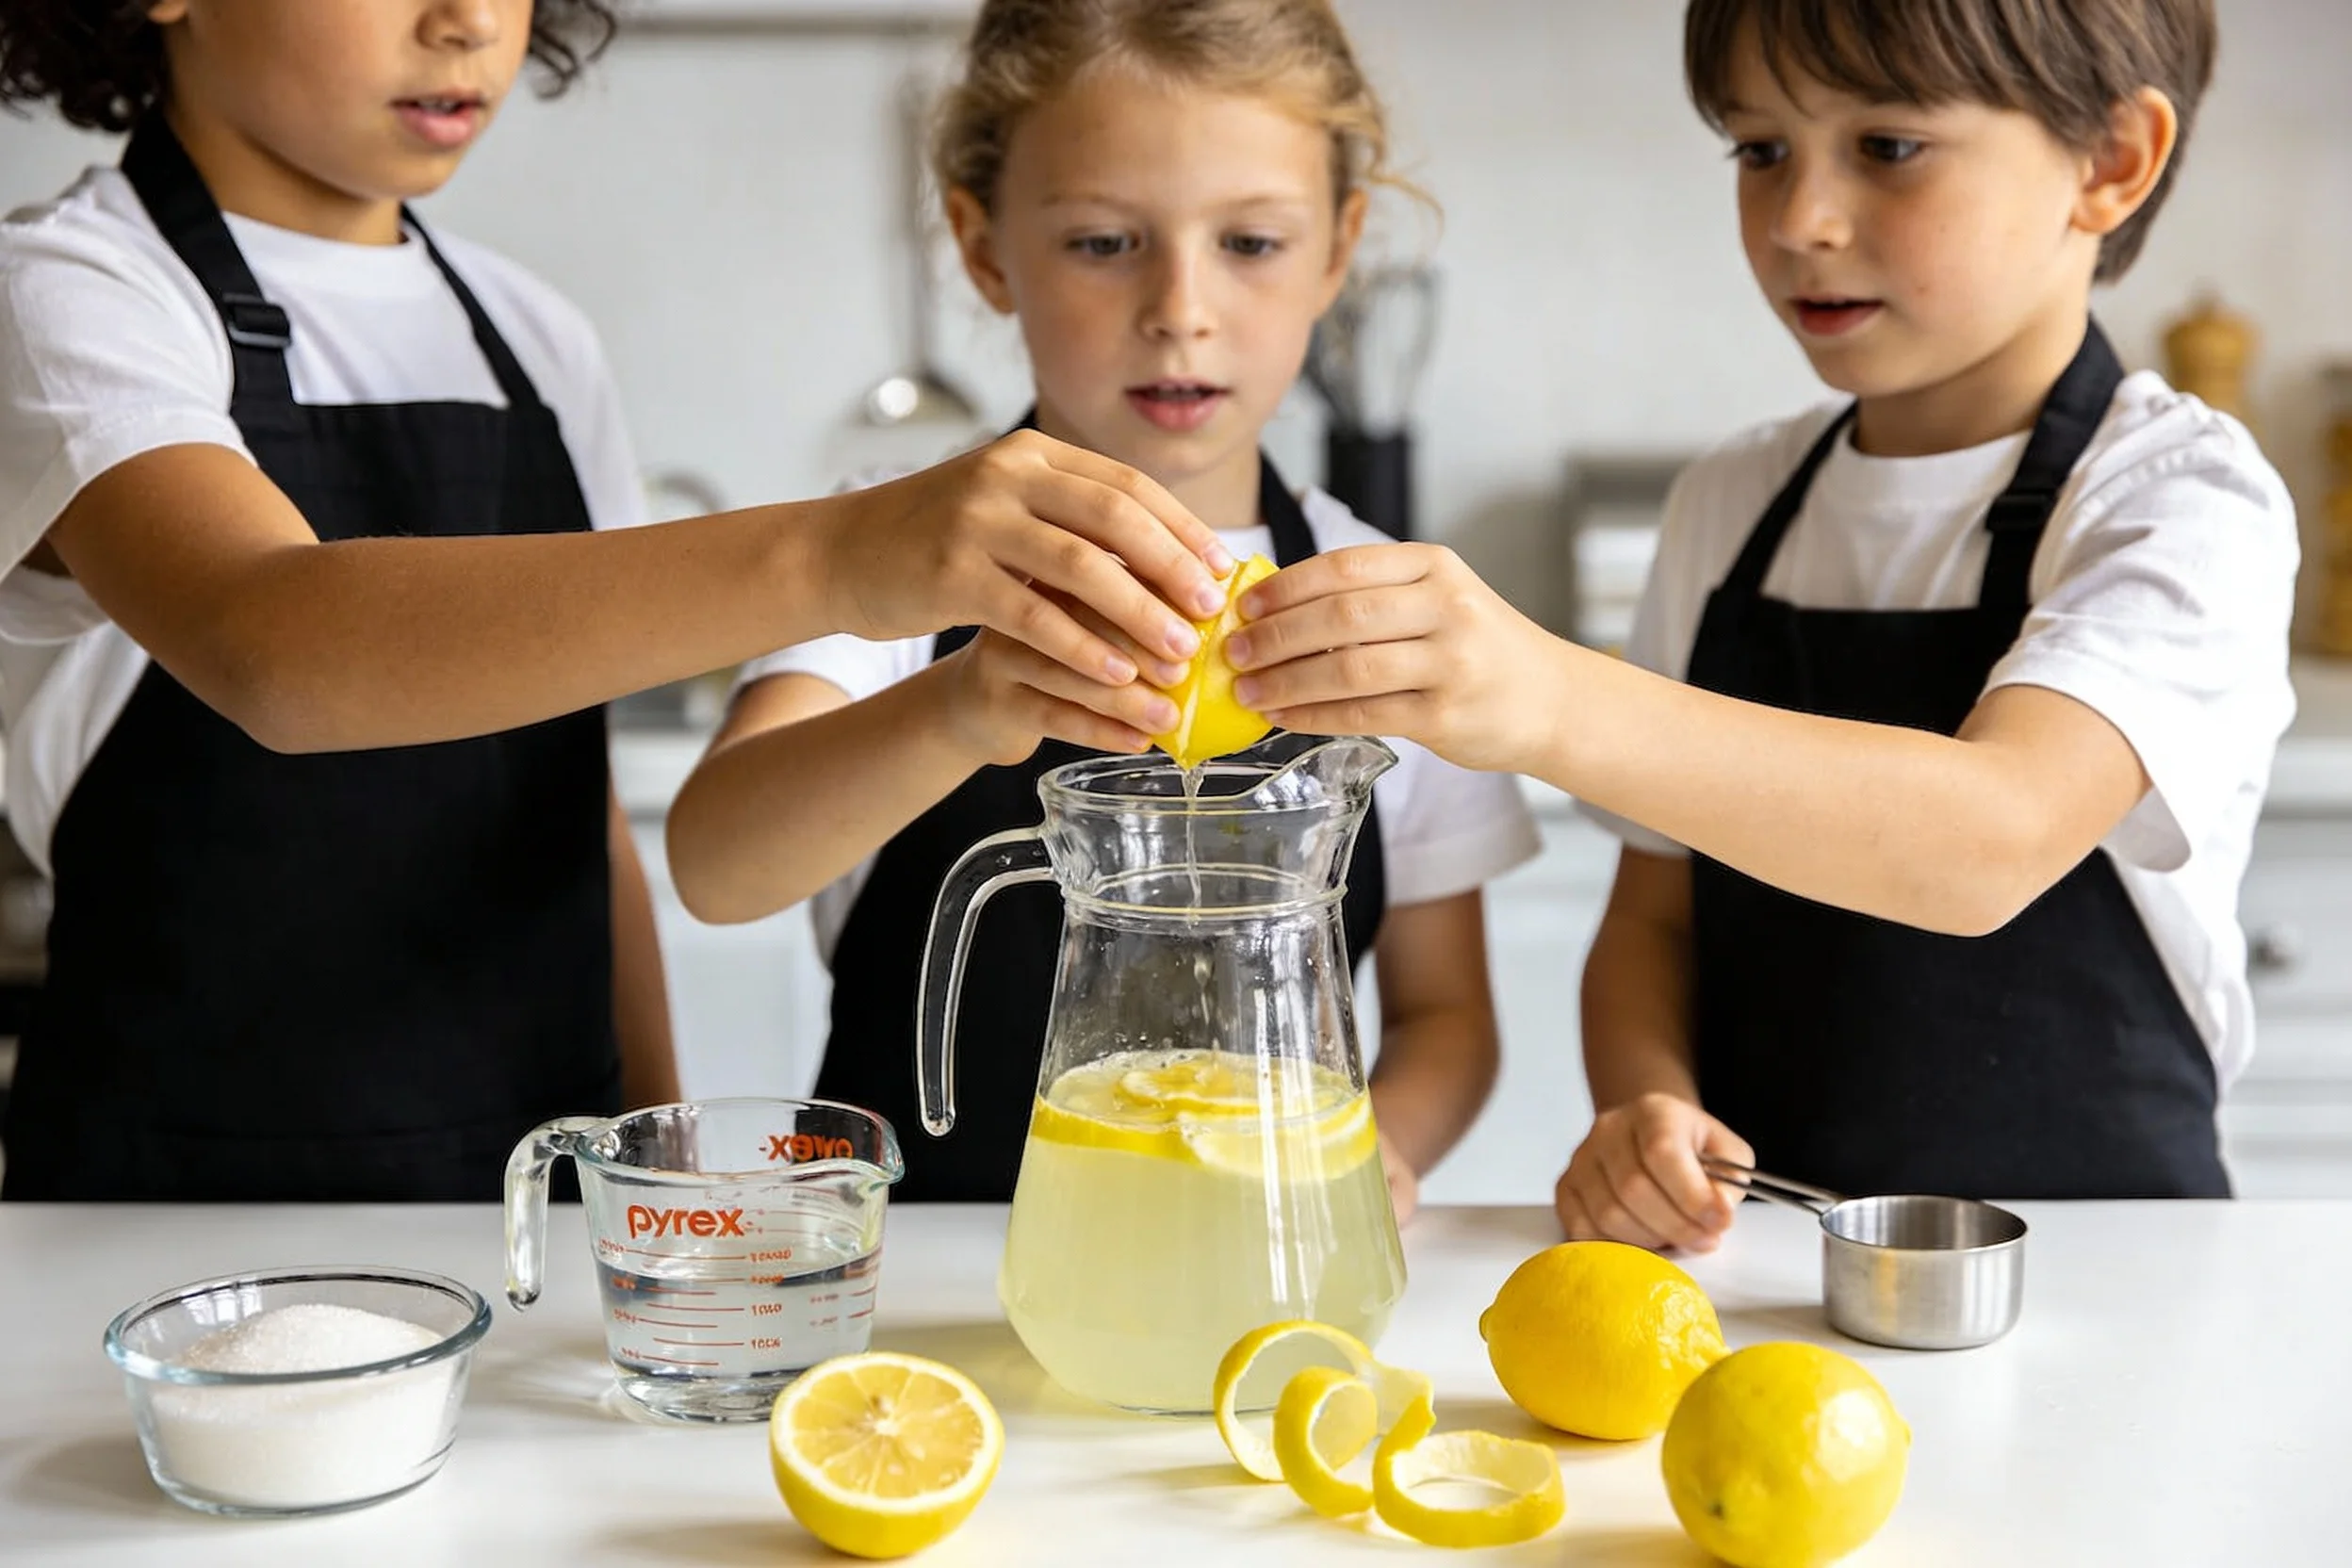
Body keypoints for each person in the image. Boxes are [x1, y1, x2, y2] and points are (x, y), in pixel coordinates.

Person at [0, 0, 1229, 1200]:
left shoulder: (535, 338)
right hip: (168, 1204)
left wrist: (653, 1149)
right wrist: (843, 553)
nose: (468, 22)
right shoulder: (75, 291)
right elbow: (268, 641)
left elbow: (574, 806)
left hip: (537, 1184)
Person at [1222, 0, 2295, 1241]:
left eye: (1887, 147)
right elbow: (1653, 922)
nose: (1799, 223)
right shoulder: (1730, 505)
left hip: (2114, 1276)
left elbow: (1990, 839)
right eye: (1761, 150)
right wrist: (1647, 1103)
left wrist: (1550, 698)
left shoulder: (2178, 500)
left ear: (2110, 162)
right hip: (1766, 1275)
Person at [666, 0, 1538, 1219]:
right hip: (911, 1286)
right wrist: (957, 709)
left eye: (1250, 243)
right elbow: (717, 864)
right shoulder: (891, 555)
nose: (1180, 306)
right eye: (1101, 243)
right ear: (982, 245)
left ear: (1339, 250)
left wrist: (1374, 1155)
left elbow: (1449, 1021)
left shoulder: (1385, 597)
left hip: (1246, 1272)